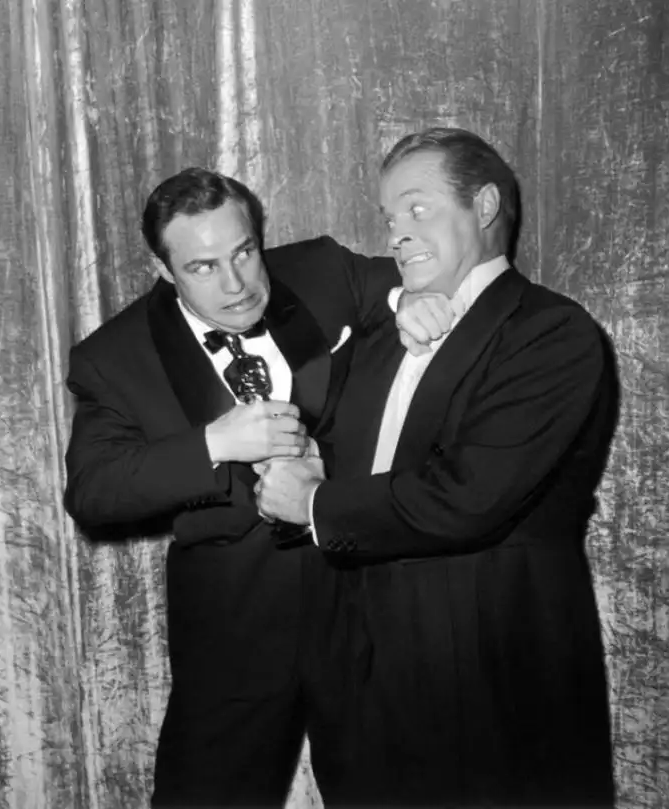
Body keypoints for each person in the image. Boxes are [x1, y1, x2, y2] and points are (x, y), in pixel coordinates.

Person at [257, 127, 619, 807]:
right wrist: (294, 478)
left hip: (487, 679)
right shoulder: (376, 339)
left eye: (417, 209)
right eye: (389, 218)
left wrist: (311, 502)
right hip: (358, 685)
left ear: (484, 206)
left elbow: (468, 498)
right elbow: (321, 468)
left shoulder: (549, 332)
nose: (397, 234)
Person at [63, 167, 439, 806]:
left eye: (243, 253)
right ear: (163, 270)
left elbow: (406, 279)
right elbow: (93, 492)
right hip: (233, 623)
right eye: (203, 267)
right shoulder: (115, 356)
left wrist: (410, 300)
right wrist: (214, 444)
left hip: (366, 599)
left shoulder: (321, 270)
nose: (236, 284)